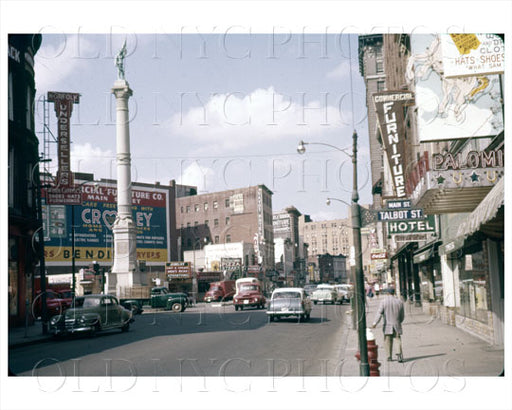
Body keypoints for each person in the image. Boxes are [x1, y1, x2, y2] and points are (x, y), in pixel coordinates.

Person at [371, 288, 405, 362]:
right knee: (397, 339)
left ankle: (389, 356)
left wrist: (375, 323)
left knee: (387, 340)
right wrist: (399, 321)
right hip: (397, 324)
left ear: (387, 293)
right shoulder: (399, 302)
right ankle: (399, 354)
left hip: (387, 325)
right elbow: (402, 315)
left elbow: (379, 313)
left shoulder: (383, 302)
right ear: (393, 293)